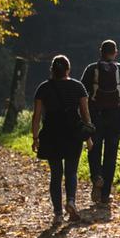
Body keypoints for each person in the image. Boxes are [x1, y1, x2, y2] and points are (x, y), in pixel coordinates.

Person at [30, 55, 92, 224]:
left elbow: (36, 116)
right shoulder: (78, 87)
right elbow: (85, 115)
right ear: (68, 70)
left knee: (56, 174)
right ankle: (71, 201)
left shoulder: (43, 88)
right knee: (71, 171)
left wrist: (35, 137)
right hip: (73, 134)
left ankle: (58, 214)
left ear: (52, 70)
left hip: (51, 134)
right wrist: (88, 138)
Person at [81, 39, 120, 205]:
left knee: (94, 149)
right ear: (115, 52)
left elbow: (82, 89)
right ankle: (105, 194)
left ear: (101, 52)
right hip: (115, 116)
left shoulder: (91, 69)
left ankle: (97, 176)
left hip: (95, 115)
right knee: (111, 154)